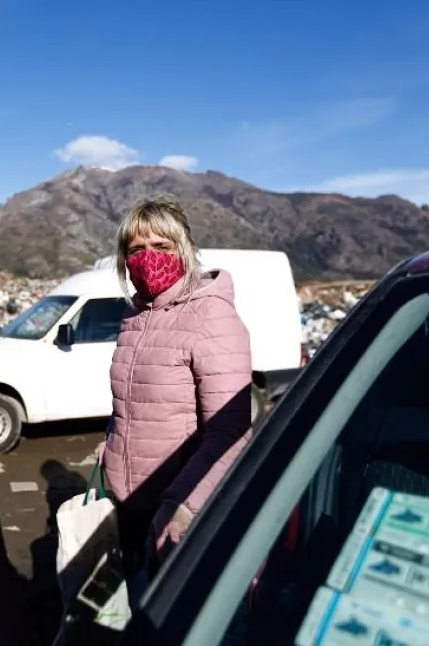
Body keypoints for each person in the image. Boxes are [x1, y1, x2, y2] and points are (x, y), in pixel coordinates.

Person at [97, 194, 253, 582]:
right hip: (127, 502)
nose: (148, 257)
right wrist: (108, 450)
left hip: (172, 509)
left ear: (184, 249)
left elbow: (229, 432)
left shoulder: (210, 315)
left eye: (161, 246)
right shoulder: (135, 316)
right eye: (136, 249)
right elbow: (129, 405)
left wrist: (184, 503)